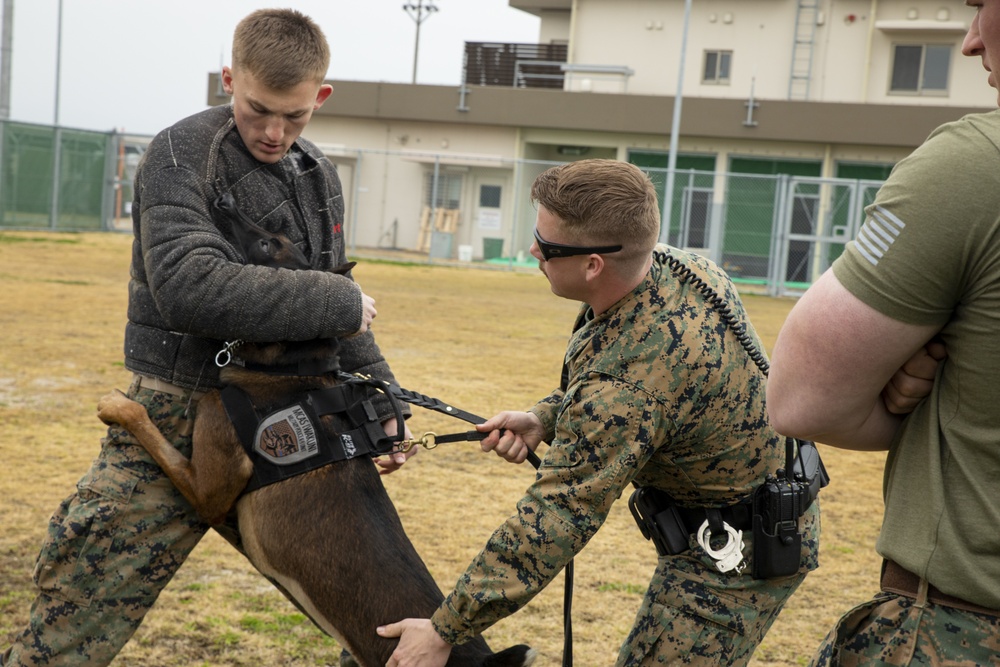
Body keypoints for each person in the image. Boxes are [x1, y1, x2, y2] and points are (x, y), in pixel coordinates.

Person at [0, 9, 412, 666]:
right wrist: (336, 297)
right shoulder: (180, 153)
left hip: (293, 421)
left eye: (296, 116)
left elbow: (339, 314)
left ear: (321, 97)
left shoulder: (318, 174)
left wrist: (385, 400)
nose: (275, 132)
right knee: (69, 631)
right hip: (176, 406)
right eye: (258, 110)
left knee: (383, 628)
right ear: (229, 79)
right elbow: (190, 285)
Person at [378, 158, 821, 666]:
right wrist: (547, 416)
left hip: (735, 560)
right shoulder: (681, 268)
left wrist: (443, 629)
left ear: (593, 264)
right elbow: (644, 386)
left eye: (546, 246)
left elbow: (556, 515)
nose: (532, 251)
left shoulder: (627, 387)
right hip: (762, 512)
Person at [764, 2, 1000, 664]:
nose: (970, 41)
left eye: (982, 6)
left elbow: (798, 399)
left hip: (964, 628)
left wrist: (912, 401)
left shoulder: (973, 169)